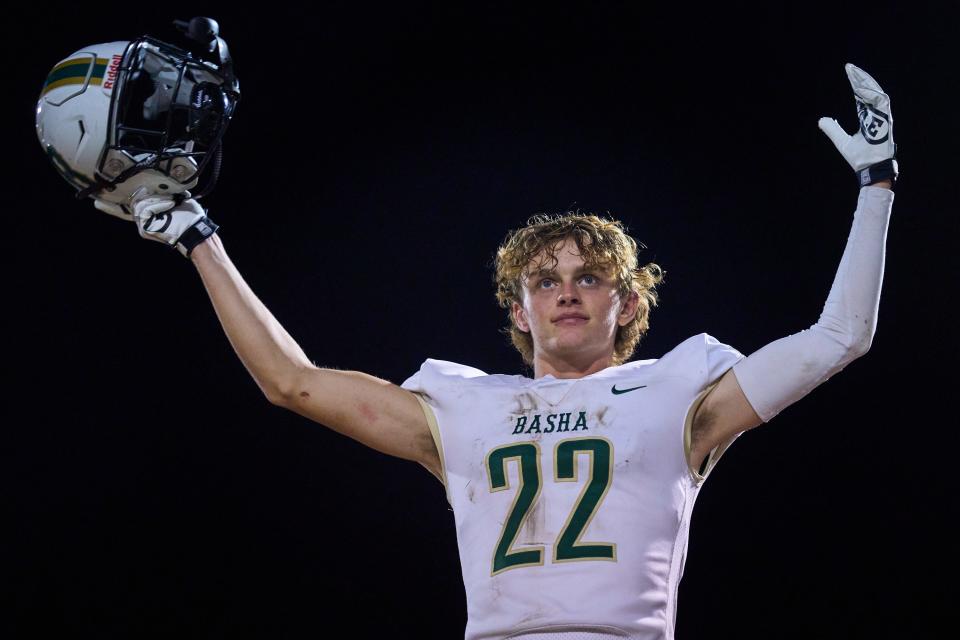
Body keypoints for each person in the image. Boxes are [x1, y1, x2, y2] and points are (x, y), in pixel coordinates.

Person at [121, 64, 898, 639]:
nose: (567, 291)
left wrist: (877, 188)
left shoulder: (678, 392)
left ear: (626, 303)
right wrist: (198, 238)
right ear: (519, 311)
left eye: (590, 278)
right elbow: (291, 383)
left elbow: (840, 337)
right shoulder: (464, 407)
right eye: (545, 280)